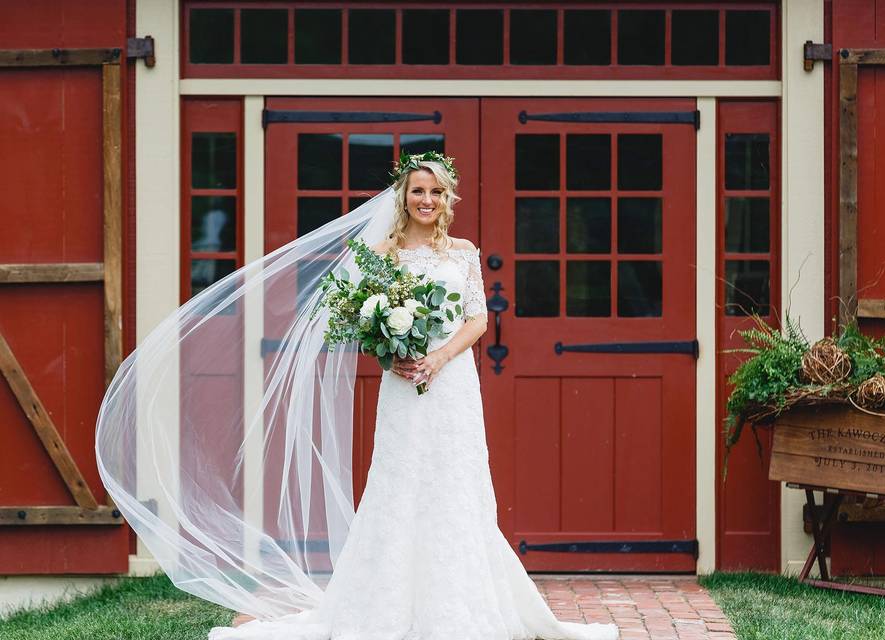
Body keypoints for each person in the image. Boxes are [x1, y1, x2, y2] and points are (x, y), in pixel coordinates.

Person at [96, 153, 619, 640]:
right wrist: (392, 355)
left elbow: (478, 319)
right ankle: (384, 607)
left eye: (436, 191)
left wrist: (437, 359)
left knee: (458, 484)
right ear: (404, 195)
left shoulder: (463, 254)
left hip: (453, 386)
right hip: (402, 386)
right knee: (399, 483)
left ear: (447, 198)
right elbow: (359, 320)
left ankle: (462, 606)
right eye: (418, 190)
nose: (427, 200)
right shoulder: (380, 255)